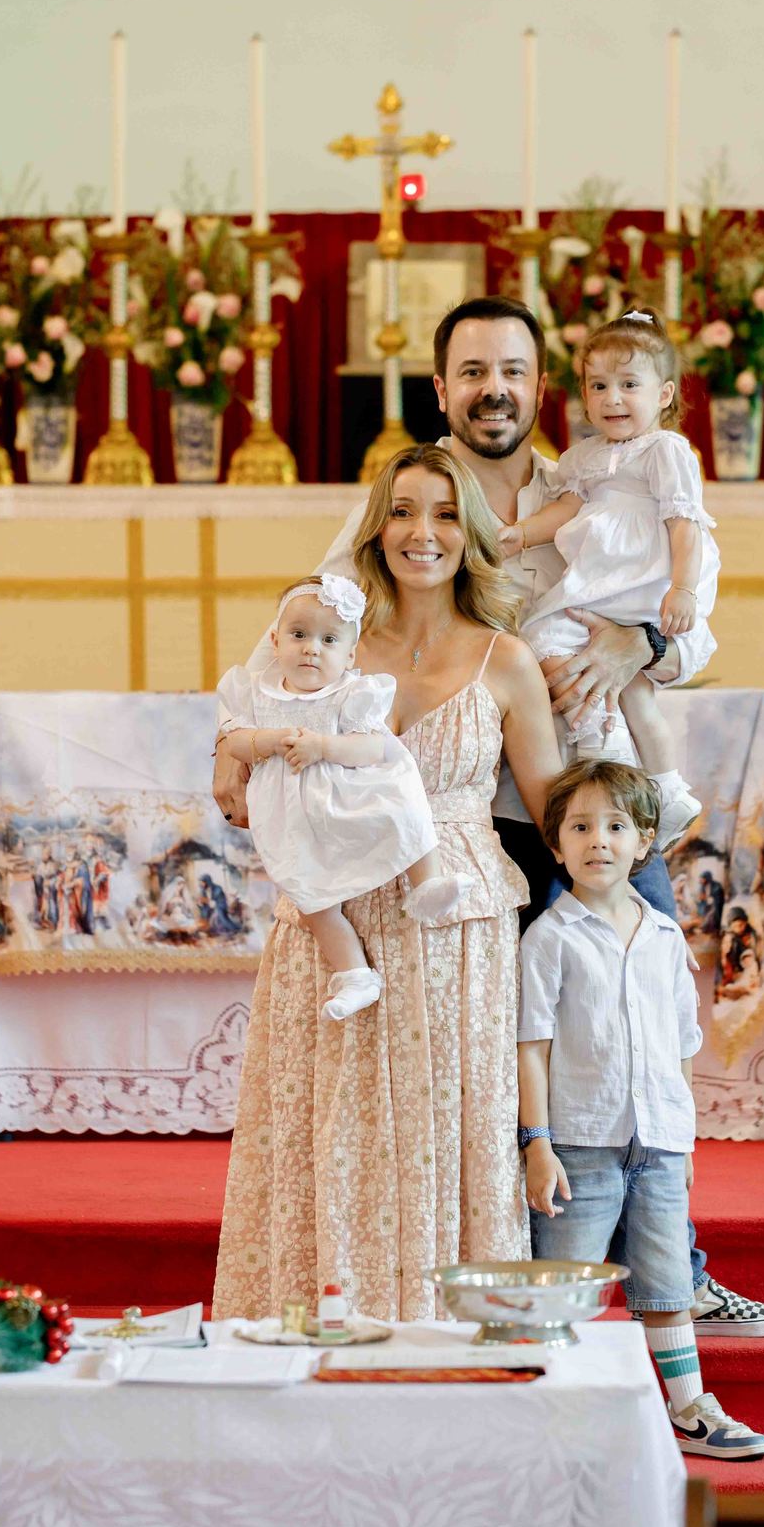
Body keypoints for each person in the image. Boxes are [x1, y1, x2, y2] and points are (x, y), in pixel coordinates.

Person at [212, 294, 764, 1340]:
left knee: (623, 1032)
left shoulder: (598, 481)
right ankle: (512, 1287)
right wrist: (236, 735)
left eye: (514, 371)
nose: (495, 390)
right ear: (442, 388)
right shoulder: (408, 499)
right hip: (461, 820)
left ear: (541, 388)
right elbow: (310, 623)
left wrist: (644, 647)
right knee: (491, 1064)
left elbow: (691, 614)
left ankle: (675, 1277)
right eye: (474, 372)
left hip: (578, 807)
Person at [212, 445, 561, 1321]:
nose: (422, 532)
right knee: (331, 1122)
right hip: (334, 917)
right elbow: (249, 716)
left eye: (444, 514)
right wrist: (227, 751)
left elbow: (553, 808)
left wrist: (634, 832)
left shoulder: (507, 659)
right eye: (403, 511)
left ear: (471, 533)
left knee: (448, 1124)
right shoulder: (323, 642)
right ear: (375, 529)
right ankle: (314, 1321)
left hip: (454, 921)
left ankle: (449, 1331)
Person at [519, 759, 764, 1460]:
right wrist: (537, 1143)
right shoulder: (549, 939)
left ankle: (688, 1407)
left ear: (644, 843)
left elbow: (681, 1045)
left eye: (616, 826)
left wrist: (681, 1140)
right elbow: (531, 1048)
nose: (598, 840)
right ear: (556, 845)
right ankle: (554, 1411)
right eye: (580, 828)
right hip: (581, 1143)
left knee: (666, 1283)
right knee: (566, 1283)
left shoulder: (663, 937)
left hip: (657, 1143)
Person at [502, 309, 719, 852]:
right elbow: (566, 511)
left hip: (637, 589)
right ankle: (653, 784)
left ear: (664, 394)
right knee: (574, 659)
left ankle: (640, 776)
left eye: (628, 385)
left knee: (627, 686)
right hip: (596, 590)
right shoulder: (583, 458)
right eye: (598, 385)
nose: (612, 398)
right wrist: (520, 535)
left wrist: (683, 589)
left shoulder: (666, 450)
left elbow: (684, 524)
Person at [217, 571, 468, 1022]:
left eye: (329, 640)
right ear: (275, 640)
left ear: (350, 654)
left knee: (401, 804)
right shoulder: (254, 693)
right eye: (298, 635)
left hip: (349, 798)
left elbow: (372, 748)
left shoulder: (352, 693)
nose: (311, 648)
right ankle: (354, 974)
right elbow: (234, 741)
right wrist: (268, 740)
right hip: (293, 815)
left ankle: (427, 880)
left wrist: (322, 747)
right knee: (311, 895)